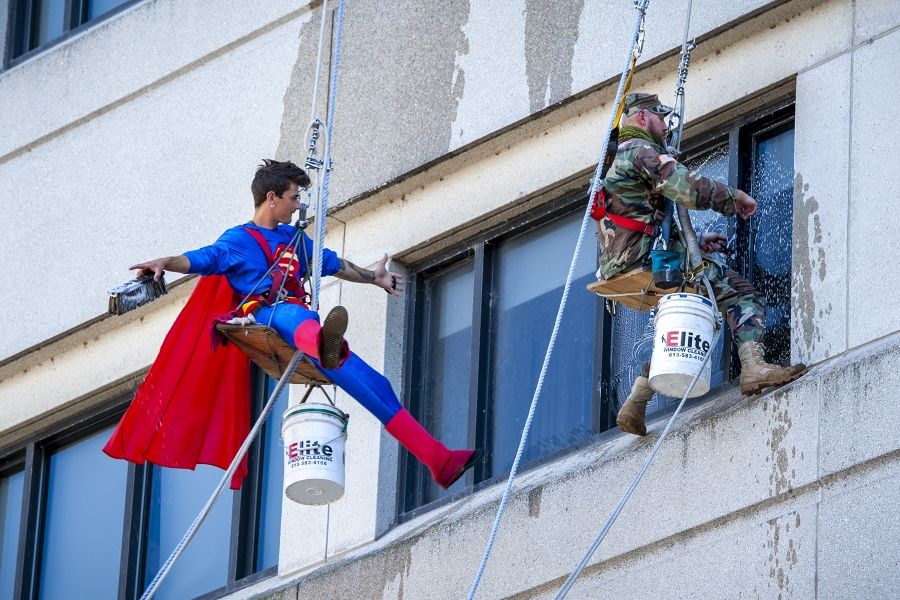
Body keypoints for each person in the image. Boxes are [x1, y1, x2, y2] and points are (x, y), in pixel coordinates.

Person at [104, 159, 480, 490]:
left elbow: (334, 264)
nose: (297, 205)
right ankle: (324, 347)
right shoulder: (237, 241)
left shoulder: (294, 239)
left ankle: (439, 460)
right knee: (294, 316)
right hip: (267, 315)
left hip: (306, 327)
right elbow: (199, 259)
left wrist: (374, 278)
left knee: (377, 386)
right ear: (272, 198)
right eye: (293, 197)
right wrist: (162, 263)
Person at [592, 93, 807, 437]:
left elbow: (638, 221)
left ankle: (636, 400)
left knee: (689, 318)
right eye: (662, 120)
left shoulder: (614, 158)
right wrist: (733, 198)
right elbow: (687, 188)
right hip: (645, 262)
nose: (666, 128)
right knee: (742, 295)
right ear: (644, 118)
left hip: (621, 265)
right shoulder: (640, 152)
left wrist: (696, 242)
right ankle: (754, 367)